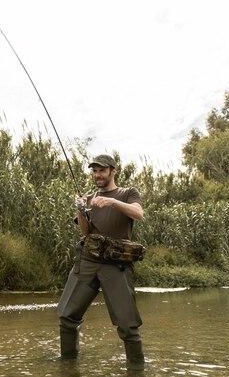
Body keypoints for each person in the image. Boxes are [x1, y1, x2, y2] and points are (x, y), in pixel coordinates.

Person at [57, 154, 146, 371]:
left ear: (113, 171)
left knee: (127, 325)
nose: (97, 175)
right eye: (94, 171)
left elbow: (139, 213)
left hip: (116, 265)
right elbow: (86, 232)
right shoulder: (88, 199)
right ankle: (68, 367)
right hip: (86, 261)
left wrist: (113, 202)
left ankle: (137, 370)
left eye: (102, 170)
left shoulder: (127, 193)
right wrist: (80, 210)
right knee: (67, 316)